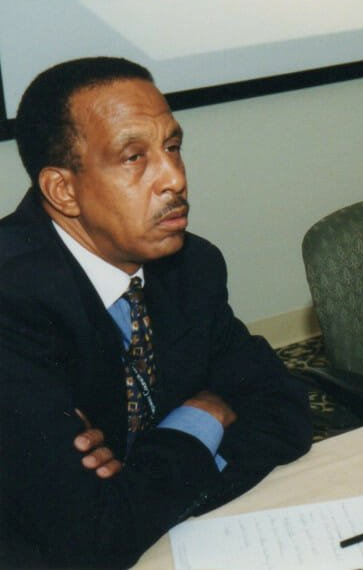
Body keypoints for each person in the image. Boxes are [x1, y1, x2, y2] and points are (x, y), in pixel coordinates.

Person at [0, 58, 313, 568]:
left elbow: (287, 412)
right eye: (133, 157)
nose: (174, 178)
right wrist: (209, 413)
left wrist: (145, 468)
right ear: (62, 190)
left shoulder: (192, 265)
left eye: (172, 146)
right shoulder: (11, 301)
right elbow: (89, 538)